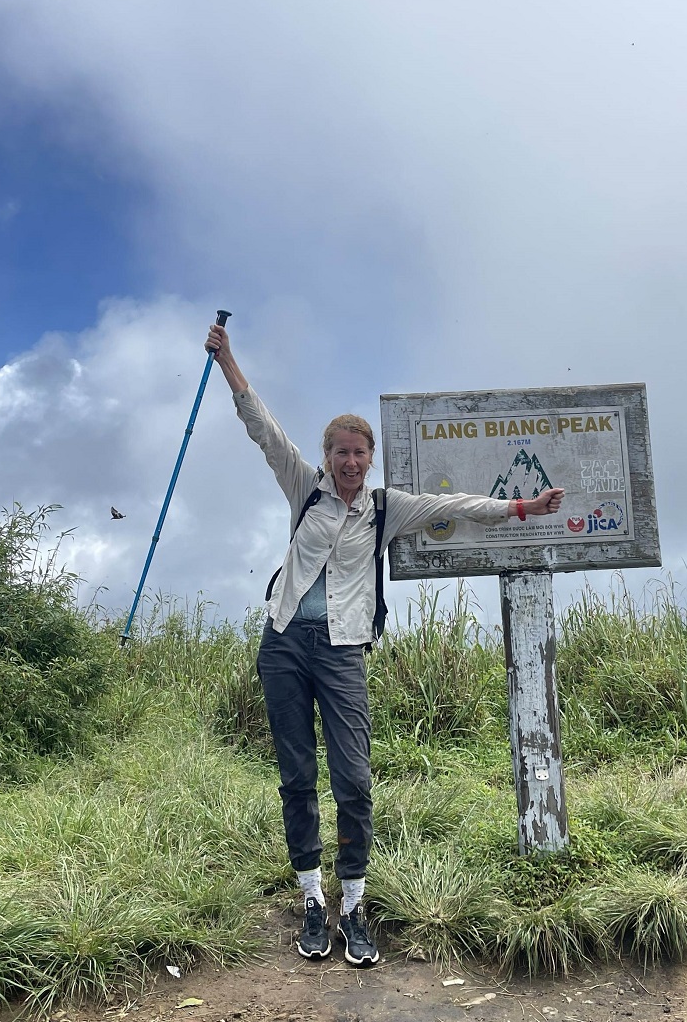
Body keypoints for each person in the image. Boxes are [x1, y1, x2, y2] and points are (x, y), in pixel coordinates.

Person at [205, 323, 565, 967]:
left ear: (371, 459)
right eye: (340, 452)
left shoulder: (383, 506)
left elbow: (448, 504)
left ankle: (355, 902)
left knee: (352, 776)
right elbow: (259, 424)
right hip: (284, 641)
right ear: (327, 455)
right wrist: (228, 359)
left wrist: (521, 508)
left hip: (343, 649)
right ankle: (312, 899)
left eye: (358, 453)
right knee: (296, 773)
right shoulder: (304, 486)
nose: (349, 462)